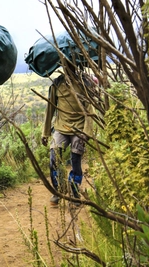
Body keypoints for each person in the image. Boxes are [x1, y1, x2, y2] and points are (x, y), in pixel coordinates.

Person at [41, 64, 95, 206]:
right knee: (54, 158)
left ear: (76, 65)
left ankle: (75, 191)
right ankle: (58, 190)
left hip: (79, 129)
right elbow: (50, 108)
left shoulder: (85, 83)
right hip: (61, 127)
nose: (68, 68)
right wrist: (45, 132)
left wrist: (87, 132)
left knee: (75, 160)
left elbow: (90, 110)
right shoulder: (57, 84)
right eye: (66, 65)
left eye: (71, 65)